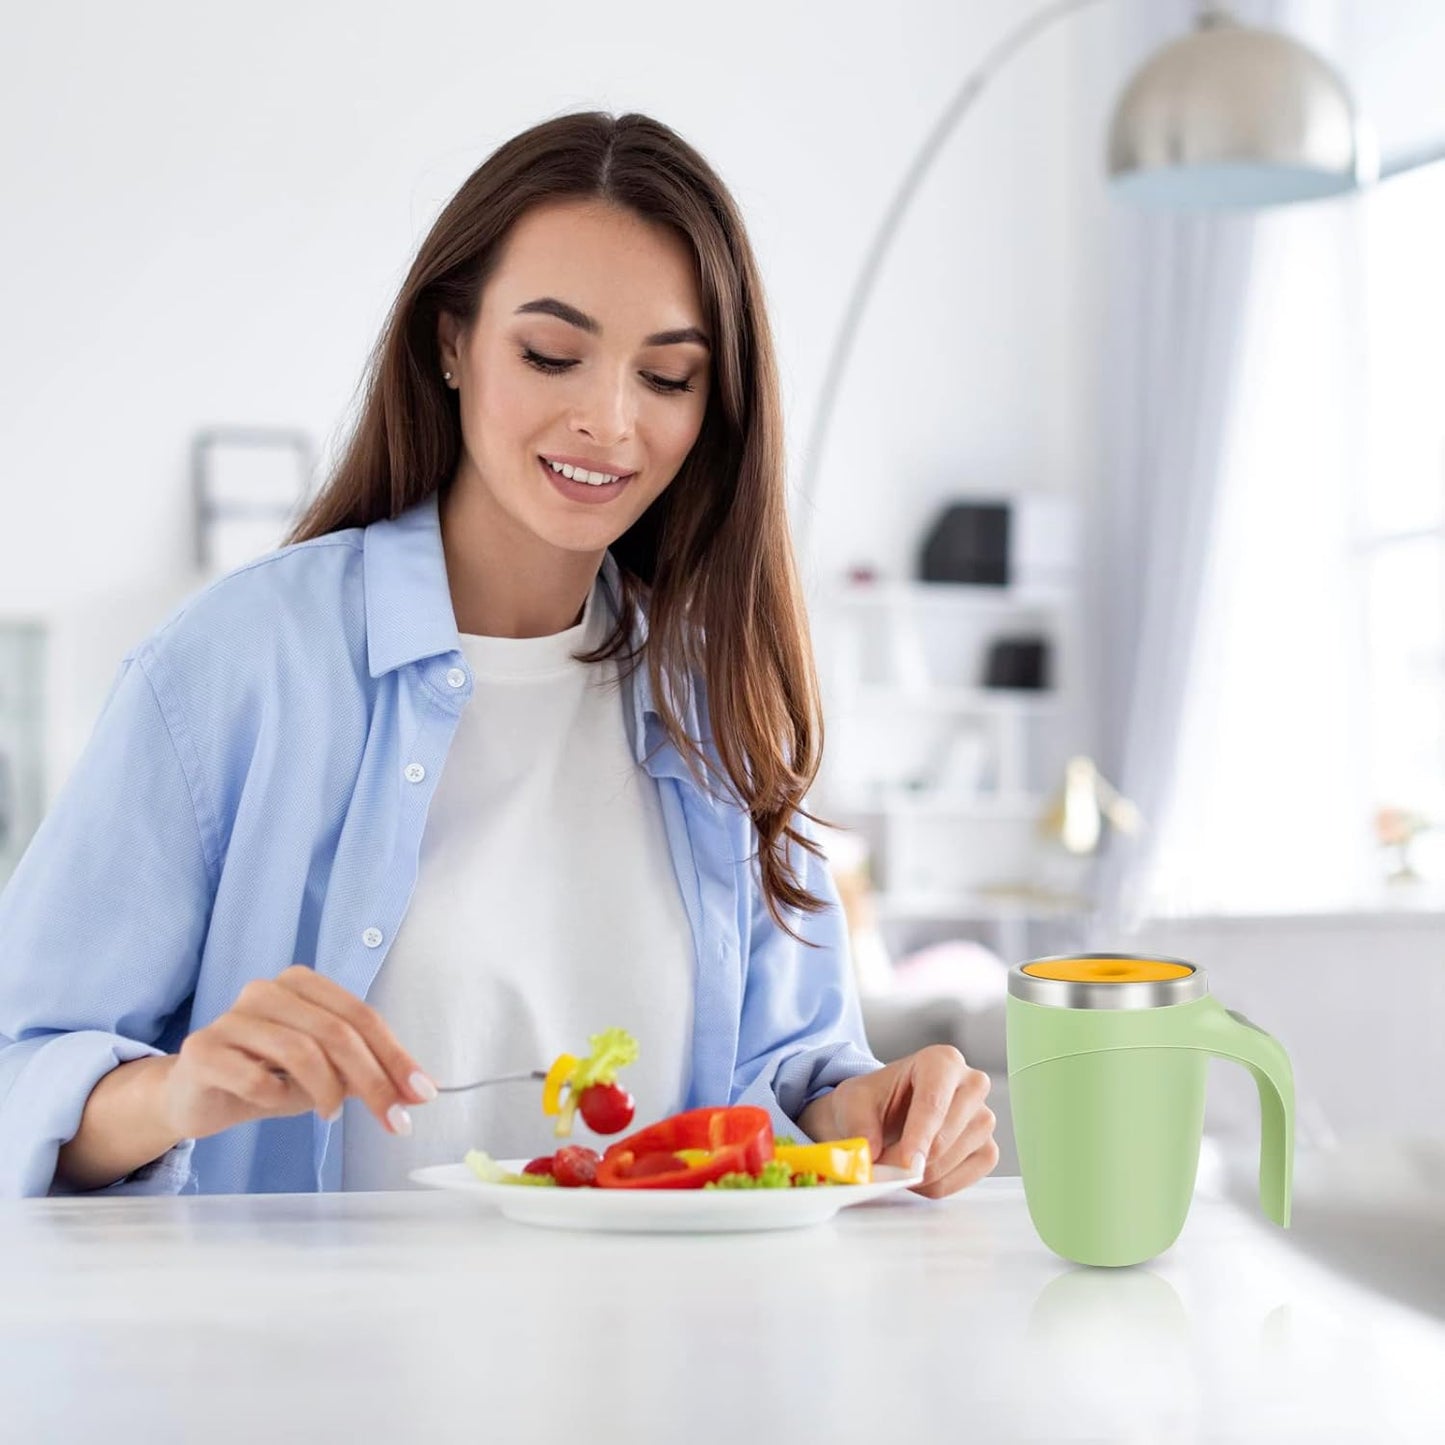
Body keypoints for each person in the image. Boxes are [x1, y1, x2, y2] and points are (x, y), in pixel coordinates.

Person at [0, 111, 998, 1199]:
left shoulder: (716, 701)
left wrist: (866, 1110)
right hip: (299, 1366)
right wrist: (178, 1092)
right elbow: (22, 1071)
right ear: (448, 342)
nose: (607, 422)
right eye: (551, 354)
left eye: (666, 377)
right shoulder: (236, 666)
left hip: (678, 1362)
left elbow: (787, 1073)